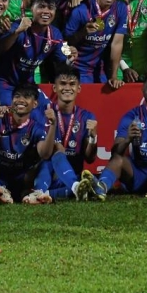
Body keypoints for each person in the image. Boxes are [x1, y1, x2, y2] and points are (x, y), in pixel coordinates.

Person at [0, 85, 60, 205]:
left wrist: (53, 125)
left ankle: (37, 193)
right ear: (12, 101)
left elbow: (45, 154)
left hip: (21, 180)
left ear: (35, 104)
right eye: (17, 96)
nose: (21, 100)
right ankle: (0, 190)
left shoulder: (36, 128)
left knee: (48, 161)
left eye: (26, 97)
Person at [0, 0, 71, 104]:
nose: (46, 11)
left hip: (28, 85)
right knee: (7, 114)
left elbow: (64, 60)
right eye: (41, 7)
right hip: (5, 83)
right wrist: (17, 32)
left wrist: (70, 57)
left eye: (50, 8)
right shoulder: (17, 26)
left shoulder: (55, 33)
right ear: (31, 9)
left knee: (48, 110)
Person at [42, 66, 98, 202]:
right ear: (54, 88)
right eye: (62, 83)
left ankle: (46, 194)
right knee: (57, 151)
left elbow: (90, 158)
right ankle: (74, 188)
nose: (67, 88)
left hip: (72, 174)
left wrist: (93, 138)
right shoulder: (44, 113)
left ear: (79, 88)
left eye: (72, 84)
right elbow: (48, 152)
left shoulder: (87, 116)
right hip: (47, 175)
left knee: (91, 181)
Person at [65, 0, 129, 86]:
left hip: (101, 69)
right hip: (79, 68)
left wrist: (114, 76)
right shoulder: (80, 11)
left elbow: (117, 43)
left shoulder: (121, 8)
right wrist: (83, 32)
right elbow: (64, 43)